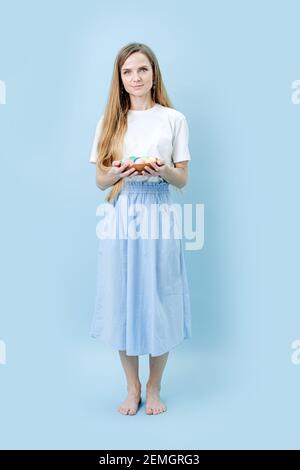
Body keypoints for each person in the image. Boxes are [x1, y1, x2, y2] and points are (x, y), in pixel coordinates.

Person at [89, 42, 192, 416]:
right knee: (123, 297)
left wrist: (162, 169)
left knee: (160, 297)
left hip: (159, 210)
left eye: (142, 70)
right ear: (120, 78)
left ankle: (155, 385)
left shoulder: (173, 118)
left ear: (154, 74)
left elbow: (182, 178)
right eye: (128, 71)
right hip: (122, 211)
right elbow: (101, 180)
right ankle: (132, 387)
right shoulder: (110, 122)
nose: (135, 77)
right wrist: (115, 173)